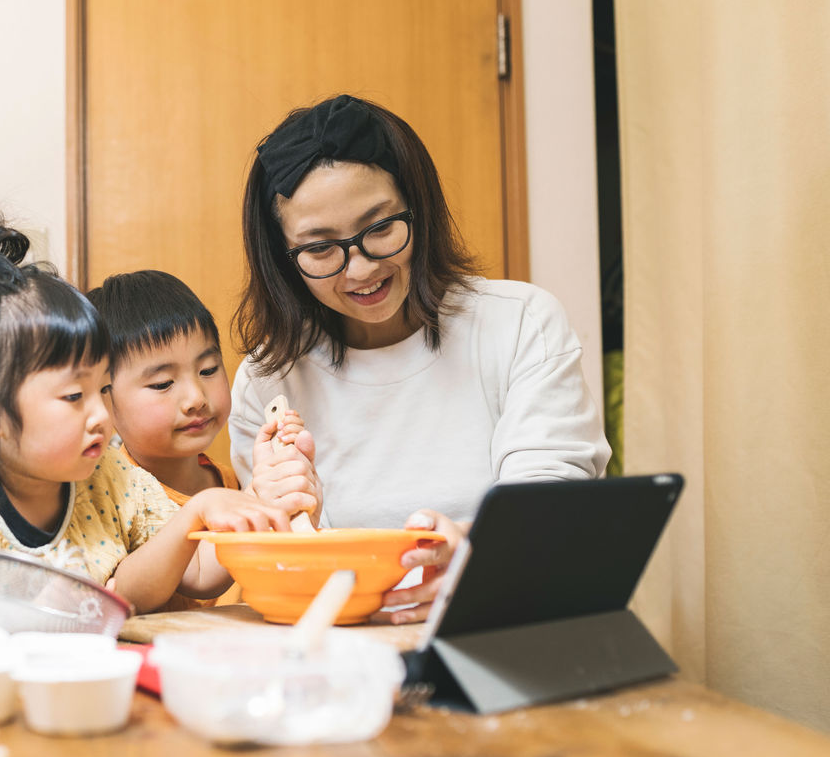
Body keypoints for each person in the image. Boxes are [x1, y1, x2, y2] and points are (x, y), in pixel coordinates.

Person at [230, 95, 611, 624]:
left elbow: (547, 511)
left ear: (419, 208)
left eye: (380, 228)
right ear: (283, 259)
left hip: (510, 621)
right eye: (320, 249)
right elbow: (286, 563)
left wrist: (479, 563)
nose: (360, 269)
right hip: (348, 646)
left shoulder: (520, 323)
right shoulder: (268, 380)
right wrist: (282, 516)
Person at [0, 215, 289, 635]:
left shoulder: (110, 475)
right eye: (74, 397)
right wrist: (27, 615)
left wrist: (234, 502)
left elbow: (195, 573)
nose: (101, 415)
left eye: (103, 389)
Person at [87, 270, 319, 608]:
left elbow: (284, 569)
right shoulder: (111, 493)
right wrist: (257, 498)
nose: (196, 397)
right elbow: (196, 576)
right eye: (163, 383)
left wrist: (299, 500)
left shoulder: (229, 481)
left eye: (208, 370)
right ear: (105, 398)